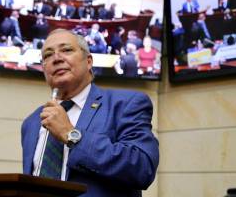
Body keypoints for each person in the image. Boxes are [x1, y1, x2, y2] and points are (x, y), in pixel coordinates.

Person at [21, 29, 159, 197]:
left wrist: (70, 134)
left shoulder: (125, 104)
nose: (56, 58)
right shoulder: (32, 122)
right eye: (48, 55)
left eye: (66, 50)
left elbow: (142, 169)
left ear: (88, 61)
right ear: (44, 68)